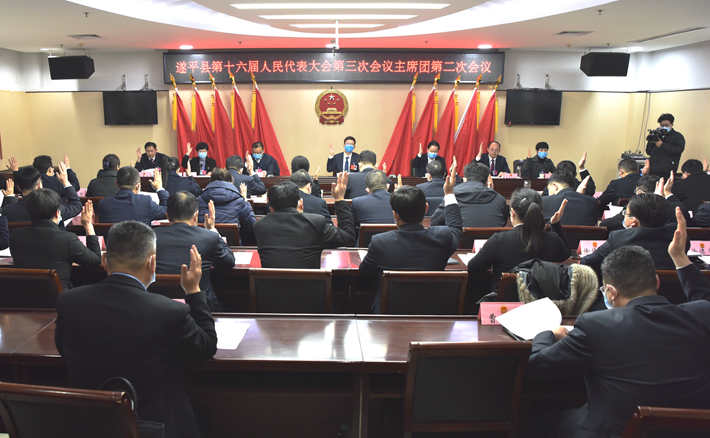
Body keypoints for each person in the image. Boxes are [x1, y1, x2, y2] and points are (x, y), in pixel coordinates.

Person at [525, 212, 710, 438]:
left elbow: (538, 366)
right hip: (690, 431)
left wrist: (547, 332)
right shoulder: (700, 315)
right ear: (656, 282)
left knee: (537, 412)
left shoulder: (596, 326)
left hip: (614, 431)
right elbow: (704, 298)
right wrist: (679, 257)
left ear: (611, 292)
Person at [55, 221, 217, 438]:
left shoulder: (68, 302)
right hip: (151, 426)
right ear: (152, 263)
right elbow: (207, 346)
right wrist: (194, 291)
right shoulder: (169, 311)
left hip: (88, 425)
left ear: (104, 260)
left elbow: (63, 348)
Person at [359, 164, 462, 313]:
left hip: (388, 314)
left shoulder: (380, 242)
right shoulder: (442, 237)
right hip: (432, 313)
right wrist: (449, 194)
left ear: (395, 215)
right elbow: (456, 228)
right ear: (426, 208)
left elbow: (365, 273)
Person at [467, 188, 571, 292]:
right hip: (542, 301)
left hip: (507, 301)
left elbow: (473, 267)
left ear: (512, 213)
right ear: (540, 213)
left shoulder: (499, 240)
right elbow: (565, 254)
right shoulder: (552, 239)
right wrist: (555, 225)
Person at [254, 173, 356, 268]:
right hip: (311, 282)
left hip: (270, 282)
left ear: (271, 209)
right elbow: (348, 237)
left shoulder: (259, 226)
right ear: (301, 204)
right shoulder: (316, 223)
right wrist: (339, 199)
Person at [155, 192, 235, 312]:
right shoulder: (209, 237)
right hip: (200, 307)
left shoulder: (151, 237)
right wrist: (212, 230)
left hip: (159, 307)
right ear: (196, 216)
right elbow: (228, 262)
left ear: (168, 217)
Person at [9, 189, 100, 290]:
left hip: (23, 296)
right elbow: (94, 261)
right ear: (57, 213)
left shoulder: (15, 235)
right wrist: (88, 225)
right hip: (59, 297)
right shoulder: (67, 239)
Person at [581, 193, 688, 276]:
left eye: (625, 214)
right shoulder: (678, 236)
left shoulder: (618, 238)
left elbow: (588, 262)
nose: (624, 216)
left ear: (634, 221)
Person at [3, 164, 82, 231]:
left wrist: (10, 197)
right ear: (39, 185)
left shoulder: (7, 211)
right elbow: (76, 207)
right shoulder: (51, 207)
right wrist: (65, 182)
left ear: (19, 188)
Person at [431, 162, 508, 228]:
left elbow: (435, 222)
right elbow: (503, 222)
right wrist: (492, 191)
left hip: (459, 240)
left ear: (465, 179)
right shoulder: (499, 199)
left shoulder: (451, 196)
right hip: (491, 240)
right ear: (487, 181)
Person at [600, 174, 688, 232]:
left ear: (640, 192)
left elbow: (608, 224)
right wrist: (668, 193)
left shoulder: (635, 206)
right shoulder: (678, 208)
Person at [96, 166, 168, 225]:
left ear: (116, 184)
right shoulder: (145, 202)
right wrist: (159, 188)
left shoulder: (103, 204)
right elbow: (168, 211)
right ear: (138, 186)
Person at [197, 168, 255, 237]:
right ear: (230, 182)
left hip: (205, 242)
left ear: (210, 182)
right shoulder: (239, 201)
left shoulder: (200, 200)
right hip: (231, 243)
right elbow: (251, 226)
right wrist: (245, 201)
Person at [16, 154, 81, 199]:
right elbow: (75, 186)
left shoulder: (27, 180)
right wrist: (68, 168)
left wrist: (15, 171)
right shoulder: (57, 182)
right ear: (50, 169)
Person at [645, 113, 685, 178]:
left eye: (666, 125)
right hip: (653, 169)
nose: (664, 127)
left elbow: (678, 150)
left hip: (667, 170)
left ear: (672, 124)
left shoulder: (678, 137)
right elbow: (648, 152)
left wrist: (662, 145)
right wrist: (650, 141)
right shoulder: (657, 134)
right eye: (662, 125)